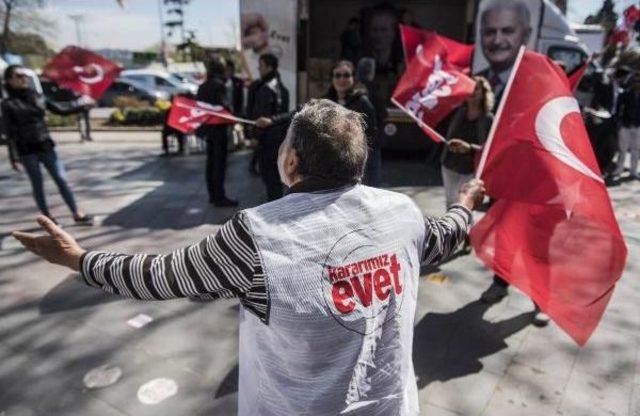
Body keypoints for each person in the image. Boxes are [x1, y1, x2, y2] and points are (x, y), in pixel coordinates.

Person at [13, 98, 486, 416]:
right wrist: (464, 203)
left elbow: (158, 276)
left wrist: (78, 259)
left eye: (284, 147)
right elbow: (445, 234)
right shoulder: (400, 213)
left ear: (293, 162)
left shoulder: (258, 234)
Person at [2, 65, 93, 225]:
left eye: (24, 75)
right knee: (38, 185)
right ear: (9, 80)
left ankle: (77, 213)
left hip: (46, 146)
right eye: (19, 76)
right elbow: (9, 134)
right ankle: (48, 218)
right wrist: (13, 157)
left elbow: (60, 110)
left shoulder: (37, 96)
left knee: (62, 179)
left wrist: (83, 106)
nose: (24, 78)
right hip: (26, 150)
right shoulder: (8, 104)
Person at [441, 77, 494, 208]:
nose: (473, 92)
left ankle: (464, 229)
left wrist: (469, 148)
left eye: (477, 89)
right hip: (449, 164)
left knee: (463, 206)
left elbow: (489, 148)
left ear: (483, 94)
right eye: (470, 88)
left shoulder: (488, 118)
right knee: (450, 204)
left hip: (470, 169)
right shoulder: (459, 112)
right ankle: (451, 229)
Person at [246, 53, 290, 200]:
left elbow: (261, 116)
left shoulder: (265, 88)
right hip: (277, 140)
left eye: (261, 65)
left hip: (268, 141)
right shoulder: (281, 87)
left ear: (269, 67)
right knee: (275, 178)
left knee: (270, 179)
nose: (258, 68)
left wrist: (255, 137)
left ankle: (274, 209)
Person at [197, 57, 238, 207]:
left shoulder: (203, 86)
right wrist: (233, 115)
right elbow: (224, 108)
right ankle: (219, 196)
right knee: (219, 164)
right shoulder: (219, 85)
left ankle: (212, 195)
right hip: (218, 129)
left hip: (207, 129)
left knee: (210, 162)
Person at [477, 0, 531, 102]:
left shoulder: (534, 88)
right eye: (490, 32)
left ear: (526, 35)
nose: (497, 41)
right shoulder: (472, 83)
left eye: (507, 31)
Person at [356, 57, 386, 186]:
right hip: (372, 141)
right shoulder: (375, 90)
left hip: (354, 141)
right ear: (371, 73)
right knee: (373, 178)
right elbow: (382, 114)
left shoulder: (352, 88)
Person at [613, 76, 640, 180]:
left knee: (636, 150)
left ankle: (633, 172)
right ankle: (618, 171)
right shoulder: (625, 94)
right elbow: (618, 108)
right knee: (622, 149)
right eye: (636, 81)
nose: (637, 83)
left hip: (637, 126)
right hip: (625, 125)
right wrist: (618, 122)